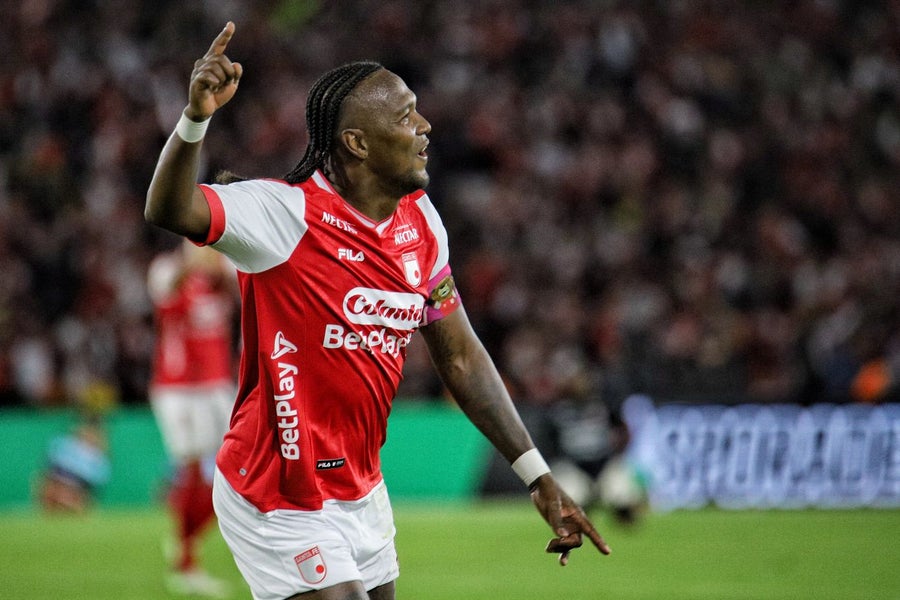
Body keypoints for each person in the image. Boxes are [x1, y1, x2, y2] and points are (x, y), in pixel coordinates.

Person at [145, 21, 610, 600]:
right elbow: (169, 209)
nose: (425, 126)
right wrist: (195, 119)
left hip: (361, 491)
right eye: (406, 115)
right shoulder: (284, 215)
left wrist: (537, 476)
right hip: (277, 493)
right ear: (358, 143)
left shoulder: (422, 222)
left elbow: (460, 356)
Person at [148, 239, 238, 598]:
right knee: (192, 469)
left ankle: (186, 538)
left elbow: (242, 288)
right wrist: (193, 262)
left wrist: (217, 263)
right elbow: (165, 290)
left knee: (240, 468)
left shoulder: (223, 271)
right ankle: (186, 559)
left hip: (217, 386)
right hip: (179, 388)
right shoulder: (166, 268)